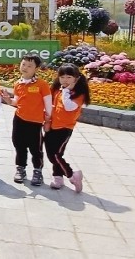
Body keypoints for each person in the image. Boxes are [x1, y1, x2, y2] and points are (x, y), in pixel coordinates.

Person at [0, 55, 52, 186]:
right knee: (19, 145)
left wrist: (48, 119)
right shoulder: (18, 84)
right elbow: (16, 102)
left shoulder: (42, 85)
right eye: (23, 64)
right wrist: (7, 100)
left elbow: (48, 103)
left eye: (30, 66)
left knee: (36, 148)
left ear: (36, 68)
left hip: (35, 122)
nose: (25, 68)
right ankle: (20, 168)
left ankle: (37, 171)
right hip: (19, 120)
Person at [46, 64, 89, 192]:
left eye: (69, 77)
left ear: (76, 78)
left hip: (65, 128)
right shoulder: (56, 89)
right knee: (50, 154)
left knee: (57, 154)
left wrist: (65, 91)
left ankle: (72, 175)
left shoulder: (79, 94)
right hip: (52, 126)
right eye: (62, 76)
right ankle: (58, 177)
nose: (65, 80)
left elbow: (69, 107)